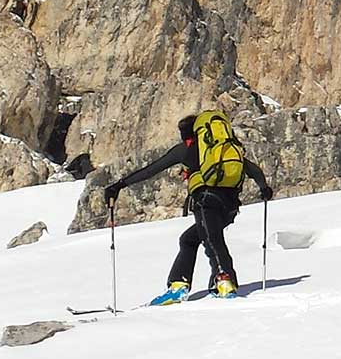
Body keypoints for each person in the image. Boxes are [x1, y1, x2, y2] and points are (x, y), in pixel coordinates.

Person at [104, 111, 273, 304]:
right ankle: (180, 282)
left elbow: (152, 169)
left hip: (206, 201)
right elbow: (254, 171)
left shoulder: (187, 149)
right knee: (189, 239)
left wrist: (119, 185)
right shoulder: (225, 149)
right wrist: (264, 189)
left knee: (212, 240)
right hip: (230, 206)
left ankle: (223, 280)